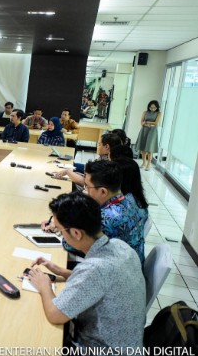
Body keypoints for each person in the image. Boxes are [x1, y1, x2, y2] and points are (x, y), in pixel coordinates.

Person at [28, 192, 146, 348]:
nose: (60, 234)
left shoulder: (95, 269)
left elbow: (55, 315)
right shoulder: (120, 246)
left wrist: (44, 286)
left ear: (76, 233)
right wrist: (61, 271)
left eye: (60, 231)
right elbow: (101, 283)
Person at [53, 133, 123, 185]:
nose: (98, 147)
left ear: (107, 147)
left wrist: (68, 172)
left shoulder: (105, 164)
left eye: (99, 144)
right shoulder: (109, 159)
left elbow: (86, 183)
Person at [136, 100, 161, 171]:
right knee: (143, 147)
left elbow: (156, 123)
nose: (152, 109)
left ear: (157, 107)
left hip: (152, 132)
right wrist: (147, 124)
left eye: (154, 108)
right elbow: (141, 122)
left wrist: (146, 122)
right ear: (148, 107)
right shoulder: (145, 112)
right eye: (151, 107)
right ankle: (144, 163)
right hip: (144, 130)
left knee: (150, 148)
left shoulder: (159, 113)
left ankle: (149, 164)